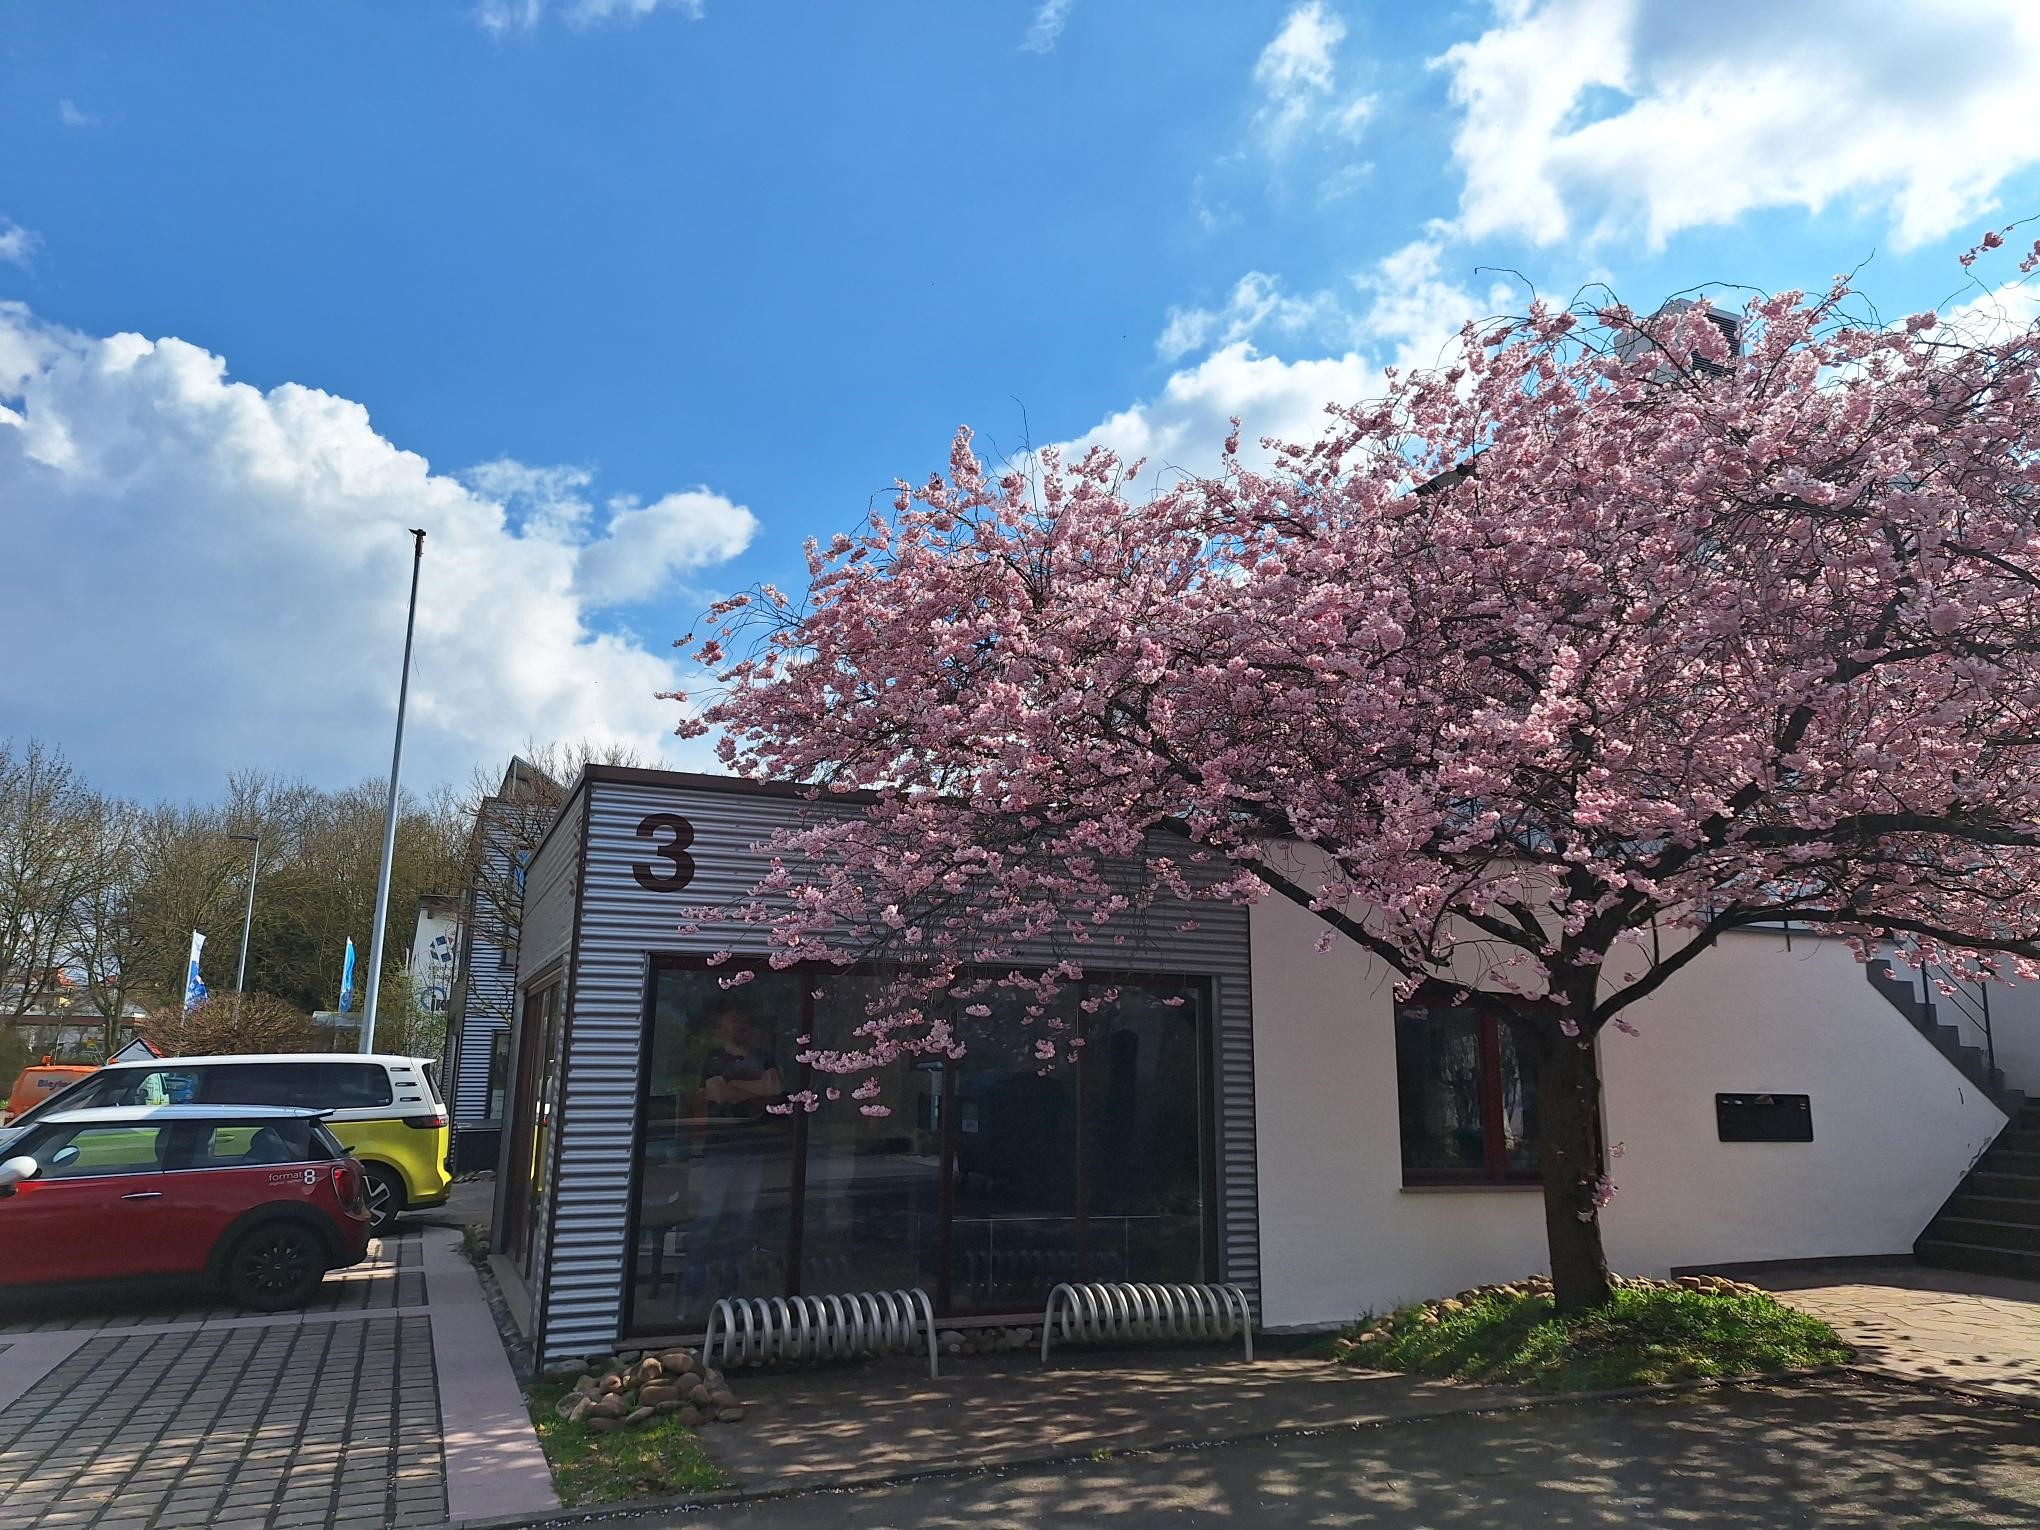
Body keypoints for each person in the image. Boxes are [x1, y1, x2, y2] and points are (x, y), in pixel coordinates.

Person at [685, 1006, 785, 1312]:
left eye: (742, 1019)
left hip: (752, 1148)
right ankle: (694, 1289)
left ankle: (731, 1289)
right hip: (721, 1149)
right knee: (710, 1218)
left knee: (742, 1220)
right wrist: (754, 1089)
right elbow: (718, 1095)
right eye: (733, 1019)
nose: (739, 1024)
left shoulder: (763, 1056)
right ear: (722, 1026)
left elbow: (776, 1088)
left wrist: (734, 1087)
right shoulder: (714, 1058)